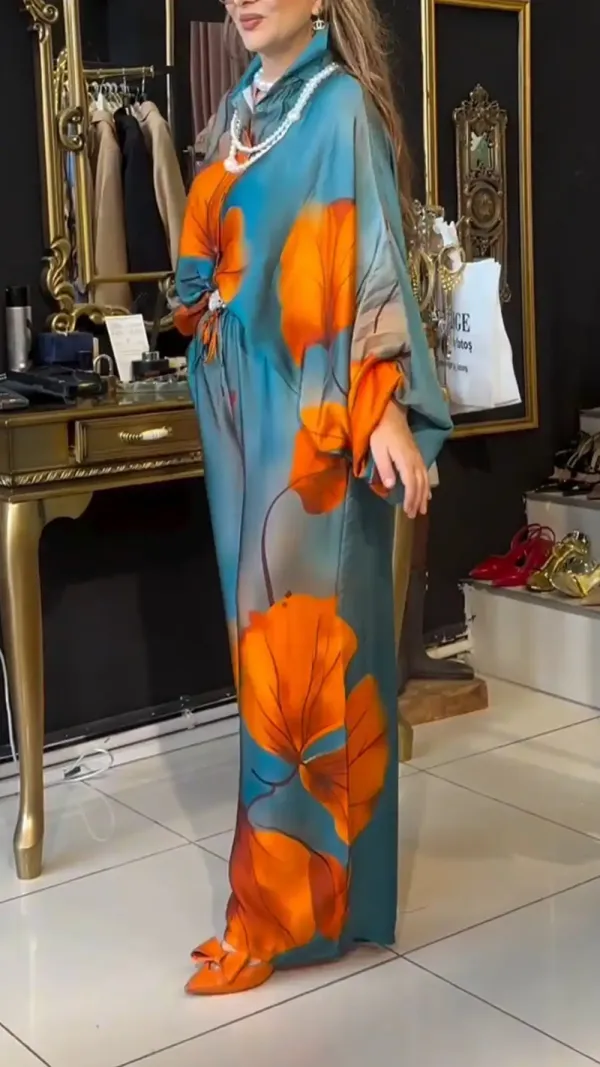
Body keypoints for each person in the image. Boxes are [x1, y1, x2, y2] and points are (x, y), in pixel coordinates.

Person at [175, 0, 452, 997]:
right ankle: (327, 900)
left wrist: (382, 408)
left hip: (310, 429)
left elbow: (370, 262)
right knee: (264, 649)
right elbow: (205, 253)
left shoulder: (337, 110)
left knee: (302, 650)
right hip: (243, 416)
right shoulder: (240, 109)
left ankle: (287, 908)